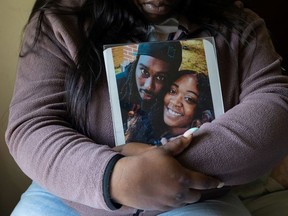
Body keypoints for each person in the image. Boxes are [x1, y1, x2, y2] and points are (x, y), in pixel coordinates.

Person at [5, 0, 288, 216]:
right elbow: (32, 126)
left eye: (163, 80)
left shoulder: (240, 25)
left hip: (197, 193)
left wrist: (163, 170)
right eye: (144, 74)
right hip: (72, 190)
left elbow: (276, 104)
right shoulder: (59, 21)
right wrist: (114, 176)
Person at [116, 41, 182, 134]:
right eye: (144, 71)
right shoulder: (115, 87)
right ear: (135, 64)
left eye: (160, 77)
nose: (149, 86)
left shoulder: (171, 98)